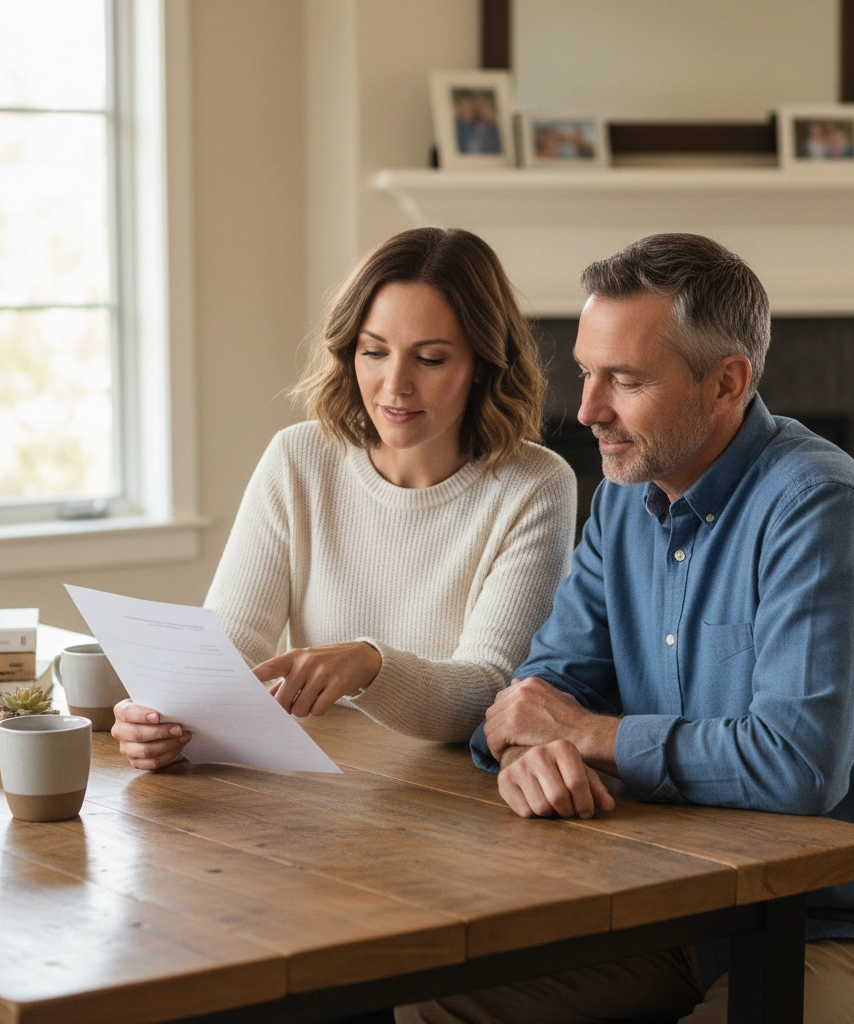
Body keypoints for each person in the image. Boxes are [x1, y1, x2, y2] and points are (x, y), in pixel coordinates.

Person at [398, 234, 854, 1023]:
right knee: (434, 1002)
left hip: (849, 929)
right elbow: (538, 694)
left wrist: (587, 735)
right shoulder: (623, 498)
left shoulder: (817, 506)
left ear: (728, 382)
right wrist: (528, 753)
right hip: (676, 909)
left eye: (625, 380)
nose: (586, 410)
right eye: (587, 372)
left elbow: (797, 766)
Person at [111, 226, 576, 770]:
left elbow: (489, 691)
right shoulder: (299, 458)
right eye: (374, 352)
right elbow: (232, 642)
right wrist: (163, 714)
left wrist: (371, 665)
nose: (394, 385)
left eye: (430, 359)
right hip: (312, 780)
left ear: (482, 365)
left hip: (448, 794)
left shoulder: (537, 484)